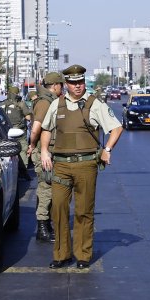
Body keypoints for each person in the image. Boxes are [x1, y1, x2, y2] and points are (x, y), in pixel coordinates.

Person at [40, 65, 123, 269]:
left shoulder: (95, 104)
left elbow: (116, 127)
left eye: (81, 82)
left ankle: (83, 255)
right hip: (60, 165)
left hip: (86, 165)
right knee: (58, 209)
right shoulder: (57, 104)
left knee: (84, 211)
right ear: (66, 84)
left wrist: (108, 149)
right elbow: (46, 129)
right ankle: (61, 255)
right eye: (73, 83)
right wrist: (43, 150)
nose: (78, 86)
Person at [26, 72, 65, 243]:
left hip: (48, 151)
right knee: (46, 188)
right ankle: (42, 227)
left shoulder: (48, 100)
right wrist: (33, 145)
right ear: (55, 85)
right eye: (61, 85)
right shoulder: (44, 102)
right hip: (45, 153)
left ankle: (47, 224)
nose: (62, 88)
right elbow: (36, 128)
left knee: (49, 187)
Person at [1, 85, 32, 179]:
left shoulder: (2, 104)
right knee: (22, 150)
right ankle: (23, 172)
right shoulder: (21, 104)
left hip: (5, 132)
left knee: (8, 152)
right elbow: (28, 117)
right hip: (20, 131)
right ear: (17, 93)